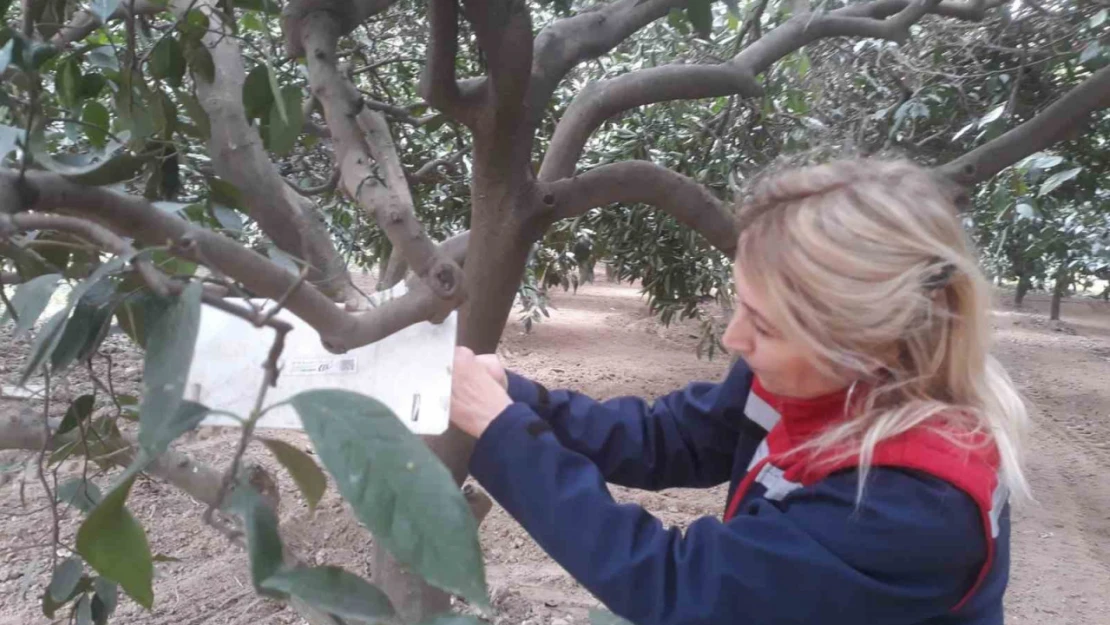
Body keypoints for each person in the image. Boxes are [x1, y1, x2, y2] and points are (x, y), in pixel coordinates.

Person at [448, 159, 1029, 625]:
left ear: (870, 345)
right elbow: (668, 437)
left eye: (766, 325)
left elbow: (680, 587)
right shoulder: (808, 380)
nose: (733, 337)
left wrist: (505, 439)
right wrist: (516, 399)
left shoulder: (910, 509)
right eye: (741, 306)